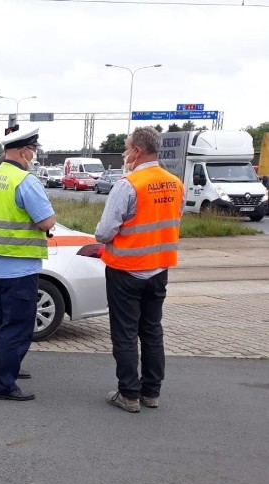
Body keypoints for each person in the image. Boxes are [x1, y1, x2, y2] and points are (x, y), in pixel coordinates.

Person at [95, 126, 184, 413]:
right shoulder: (175, 183)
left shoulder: (128, 184)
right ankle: (151, 393)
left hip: (126, 269)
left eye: (126, 147)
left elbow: (104, 232)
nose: (124, 153)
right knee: (152, 331)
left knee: (124, 333)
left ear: (137, 151)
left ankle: (129, 395)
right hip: (159, 269)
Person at [0, 129, 56, 401]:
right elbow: (47, 222)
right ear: (23, 151)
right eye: (33, 149)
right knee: (16, 328)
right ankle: (5, 385)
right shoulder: (25, 181)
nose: (34, 155)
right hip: (20, 269)